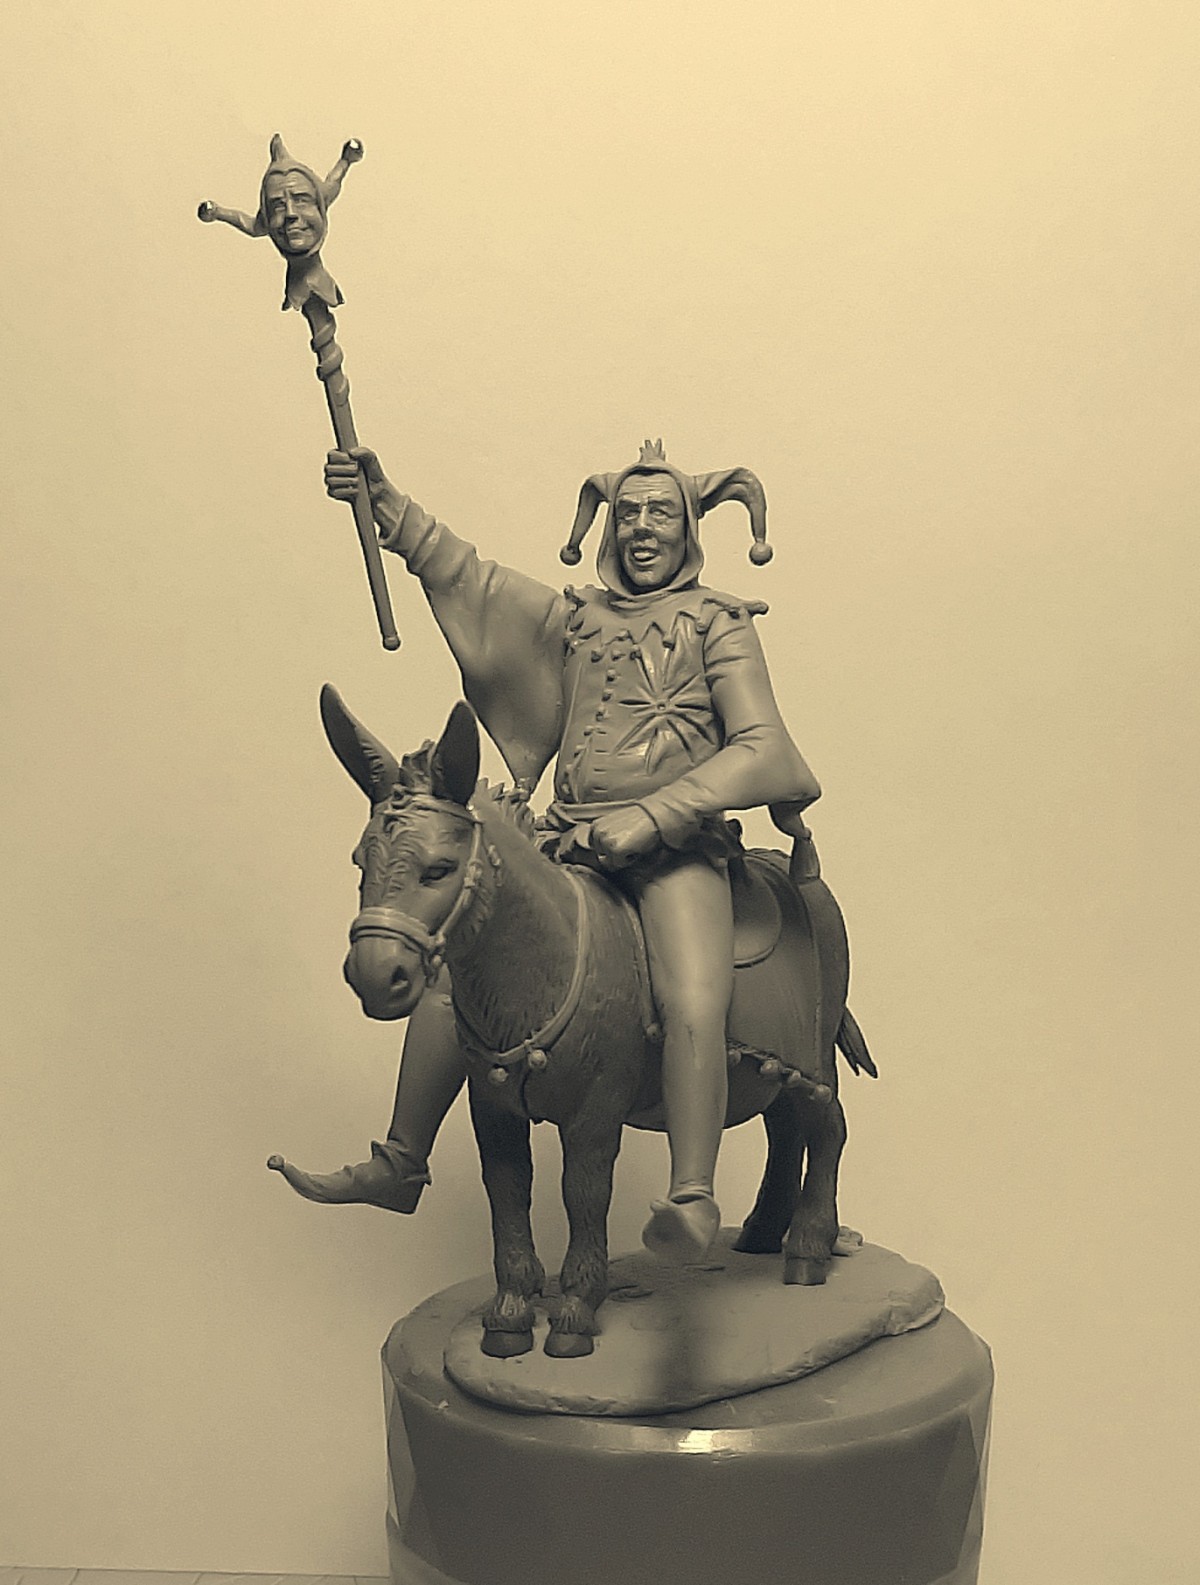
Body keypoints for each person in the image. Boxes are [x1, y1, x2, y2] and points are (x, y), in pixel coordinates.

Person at [273, 439, 820, 1261]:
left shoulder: (718, 624)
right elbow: (473, 578)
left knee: (692, 995)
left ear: (690, 527)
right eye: (627, 513)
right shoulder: (580, 619)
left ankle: (692, 1192)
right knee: (456, 962)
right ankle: (402, 1158)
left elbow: (767, 748)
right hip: (567, 839)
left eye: (660, 512)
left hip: (676, 851)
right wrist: (383, 502)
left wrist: (656, 815)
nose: (641, 527)